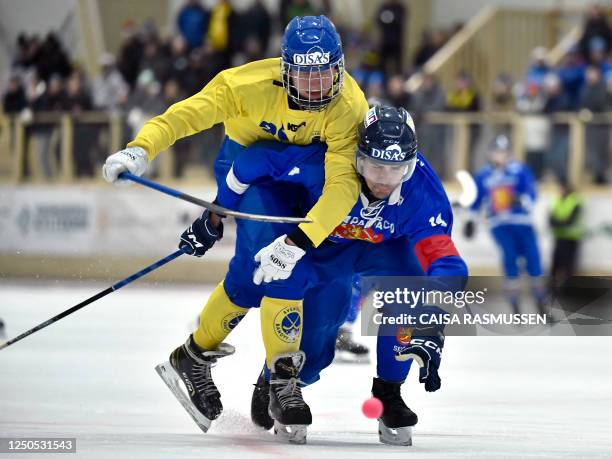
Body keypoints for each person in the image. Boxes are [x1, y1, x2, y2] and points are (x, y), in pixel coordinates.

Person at [102, 15, 369, 442]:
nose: (317, 89)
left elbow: (342, 186)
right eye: (305, 76)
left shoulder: (349, 106)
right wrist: (140, 148)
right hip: (250, 173)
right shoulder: (243, 85)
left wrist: (302, 238)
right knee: (281, 269)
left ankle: (193, 355)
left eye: (325, 76)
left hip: (305, 177)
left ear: (339, 69)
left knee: (257, 272)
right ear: (284, 72)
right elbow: (185, 115)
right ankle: (283, 381)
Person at [206, 105, 467, 445]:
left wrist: (431, 317)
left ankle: (389, 392)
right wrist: (217, 210)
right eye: (374, 166)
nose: (383, 180)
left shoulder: (424, 194)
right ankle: (280, 378)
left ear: (412, 166)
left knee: (413, 287)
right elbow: (253, 161)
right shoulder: (326, 160)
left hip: (383, 252)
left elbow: (447, 262)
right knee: (314, 347)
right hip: (323, 248)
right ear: (356, 157)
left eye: (396, 170)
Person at [464, 135, 546, 314]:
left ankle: (541, 302)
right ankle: (514, 303)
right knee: (510, 258)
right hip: (499, 223)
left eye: (504, 152)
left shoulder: (520, 170)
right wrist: (471, 219)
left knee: (534, 259)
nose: (500, 156)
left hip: (522, 222)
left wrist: (523, 200)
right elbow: (476, 199)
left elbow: (531, 191)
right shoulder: (484, 174)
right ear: (490, 153)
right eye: (497, 152)